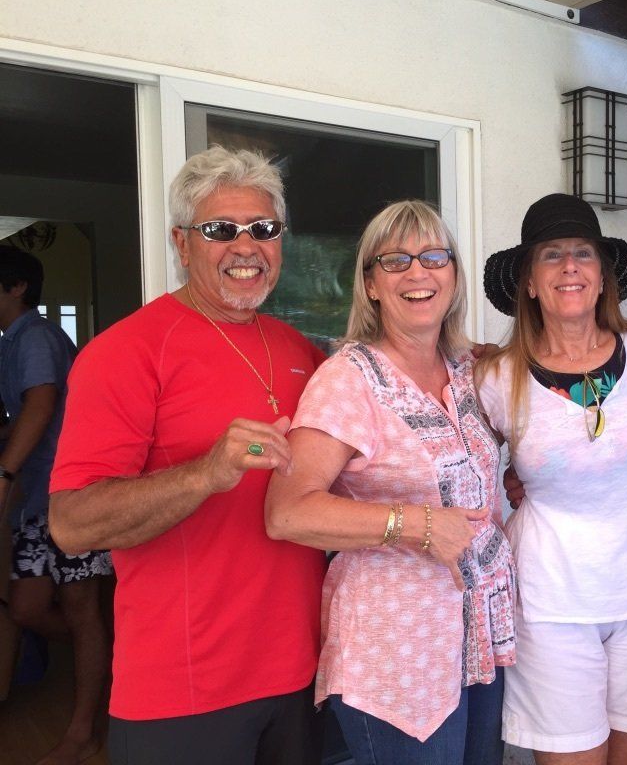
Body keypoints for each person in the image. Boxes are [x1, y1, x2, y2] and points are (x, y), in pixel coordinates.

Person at [48, 146, 327, 765]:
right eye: (221, 229)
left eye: (264, 229)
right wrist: (206, 473)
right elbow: (71, 525)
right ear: (182, 242)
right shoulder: (126, 351)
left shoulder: (302, 351)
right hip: (183, 688)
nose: (246, 246)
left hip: (300, 671)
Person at [264, 199, 516, 765]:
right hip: (397, 654)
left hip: (477, 638)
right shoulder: (349, 379)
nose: (417, 272)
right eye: (395, 261)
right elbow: (288, 511)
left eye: (433, 257)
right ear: (371, 284)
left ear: (453, 274)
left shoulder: (467, 370)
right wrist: (418, 525)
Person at [475, 193, 627, 765]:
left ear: (603, 275)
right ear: (529, 282)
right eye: (551, 255)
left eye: (584, 252)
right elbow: (461, 464)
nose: (570, 265)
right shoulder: (497, 376)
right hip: (552, 606)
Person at [0, 247, 112, 765]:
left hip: (71, 496)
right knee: (26, 607)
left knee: (81, 608)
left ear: (17, 286)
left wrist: (4, 474)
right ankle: (118, 658)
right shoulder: (13, 341)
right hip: (38, 500)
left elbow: (41, 405)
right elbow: (27, 415)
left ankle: (82, 731)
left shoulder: (36, 337)